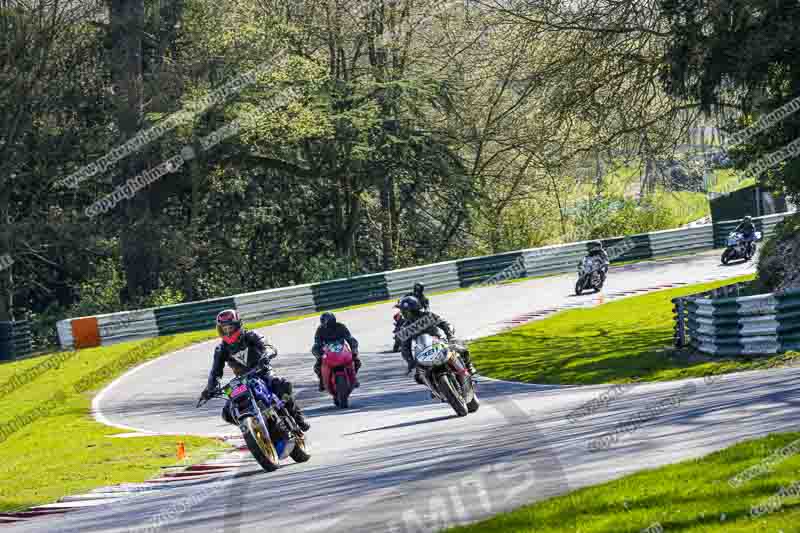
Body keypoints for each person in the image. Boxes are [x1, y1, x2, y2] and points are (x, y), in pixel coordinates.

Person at [200, 309, 310, 431]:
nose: (228, 331)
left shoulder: (251, 335)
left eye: (230, 327)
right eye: (224, 329)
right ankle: (251, 428)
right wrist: (209, 389)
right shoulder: (221, 349)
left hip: (262, 371)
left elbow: (269, 347)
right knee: (227, 412)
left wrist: (266, 355)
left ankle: (298, 418)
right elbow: (215, 372)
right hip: (242, 380)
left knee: (282, 385)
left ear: (237, 325)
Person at [396, 295, 476, 383]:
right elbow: (405, 348)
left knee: (461, 349)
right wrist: (411, 362)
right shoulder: (405, 327)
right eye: (405, 312)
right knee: (418, 377)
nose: (407, 314)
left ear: (416, 308)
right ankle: (433, 384)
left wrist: (450, 336)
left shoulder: (428, 315)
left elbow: (445, 324)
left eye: (409, 311)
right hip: (422, 350)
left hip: (439, 342)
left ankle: (469, 367)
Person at [311, 312, 362, 391]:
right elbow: (317, 343)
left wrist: (354, 349)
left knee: (357, 361)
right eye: (326, 322)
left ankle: (353, 378)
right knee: (317, 366)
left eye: (330, 322)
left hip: (342, 349)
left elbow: (349, 338)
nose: (329, 325)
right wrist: (318, 354)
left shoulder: (341, 326)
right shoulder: (320, 330)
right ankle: (322, 381)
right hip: (328, 351)